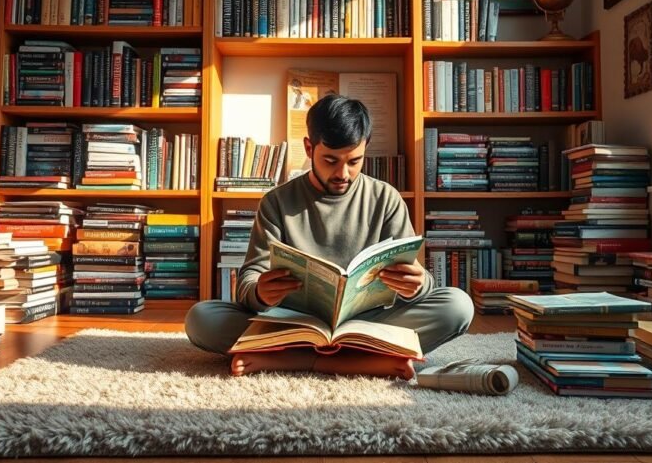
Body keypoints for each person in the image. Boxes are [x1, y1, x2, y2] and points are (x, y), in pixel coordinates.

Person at [185, 95, 475, 379]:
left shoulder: (386, 199)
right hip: (294, 325)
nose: (343, 173)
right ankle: (363, 362)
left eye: (354, 161)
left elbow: (420, 281)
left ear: (366, 148)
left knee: (458, 305)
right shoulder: (276, 202)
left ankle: (291, 360)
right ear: (309, 148)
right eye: (330, 160)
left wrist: (417, 283)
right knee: (202, 319)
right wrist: (260, 292)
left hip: (366, 325)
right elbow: (248, 283)